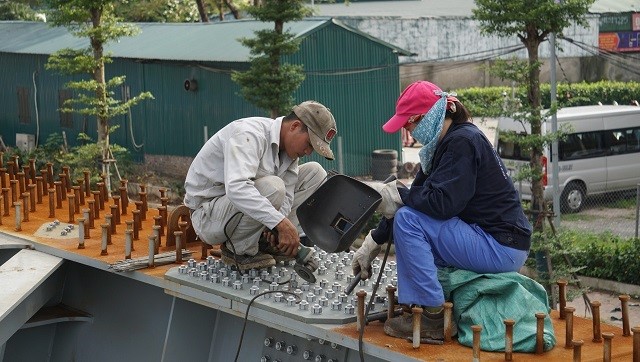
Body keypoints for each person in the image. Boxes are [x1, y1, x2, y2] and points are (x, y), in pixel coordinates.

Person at [353, 81, 532, 340]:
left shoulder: (463, 142)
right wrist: (374, 240)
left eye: (408, 124)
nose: (408, 131)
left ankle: (432, 317)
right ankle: (431, 300)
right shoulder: (442, 146)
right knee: (408, 217)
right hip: (487, 239)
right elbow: (414, 199)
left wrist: (399, 194)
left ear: (427, 117)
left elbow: (442, 205)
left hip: (501, 246)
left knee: (408, 221)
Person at [184, 101, 338, 271]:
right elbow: (237, 188)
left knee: (316, 174)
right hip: (208, 215)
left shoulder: (288, 154)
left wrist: (276, 229)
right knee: (273, 186)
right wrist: (280, 223)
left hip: (235, 212)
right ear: (294, 126)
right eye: (309, 144)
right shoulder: (248, 134)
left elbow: (286, 197)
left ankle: (265, 242)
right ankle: (239, 250)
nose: (308, 152)